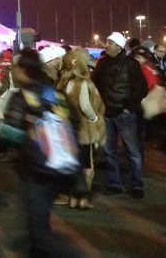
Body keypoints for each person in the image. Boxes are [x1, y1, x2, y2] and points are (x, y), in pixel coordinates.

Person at [1, 48, 81, 257]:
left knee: (37, 232)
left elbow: (10, 133)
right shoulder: (56, 93)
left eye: (14, 67)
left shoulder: (22, 96)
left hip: (35, 170)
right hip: (61, 166)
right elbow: (75, 124)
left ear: (23, 69)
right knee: (39, 220)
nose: (11, 70)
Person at [92, 32, 148, 199]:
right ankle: (114, 183)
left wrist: (128, 108)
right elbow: (94, 84)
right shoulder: (102, 64)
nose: (106, 45)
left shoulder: (131, 64)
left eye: (110, 43)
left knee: (132, 151)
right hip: (107, 114)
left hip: (125, 115)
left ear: (119, 46)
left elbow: (141, 88)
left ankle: (136, 184)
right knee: (110, 151)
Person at [57, 47, 105, 209]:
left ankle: (70, 196)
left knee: (72, 163)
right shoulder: (82, 82)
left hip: (66, 128)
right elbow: (85, 106)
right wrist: (95, 118)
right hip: (84, 128)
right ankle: (83, 197)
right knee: (87, 164)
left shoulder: (62, 82)